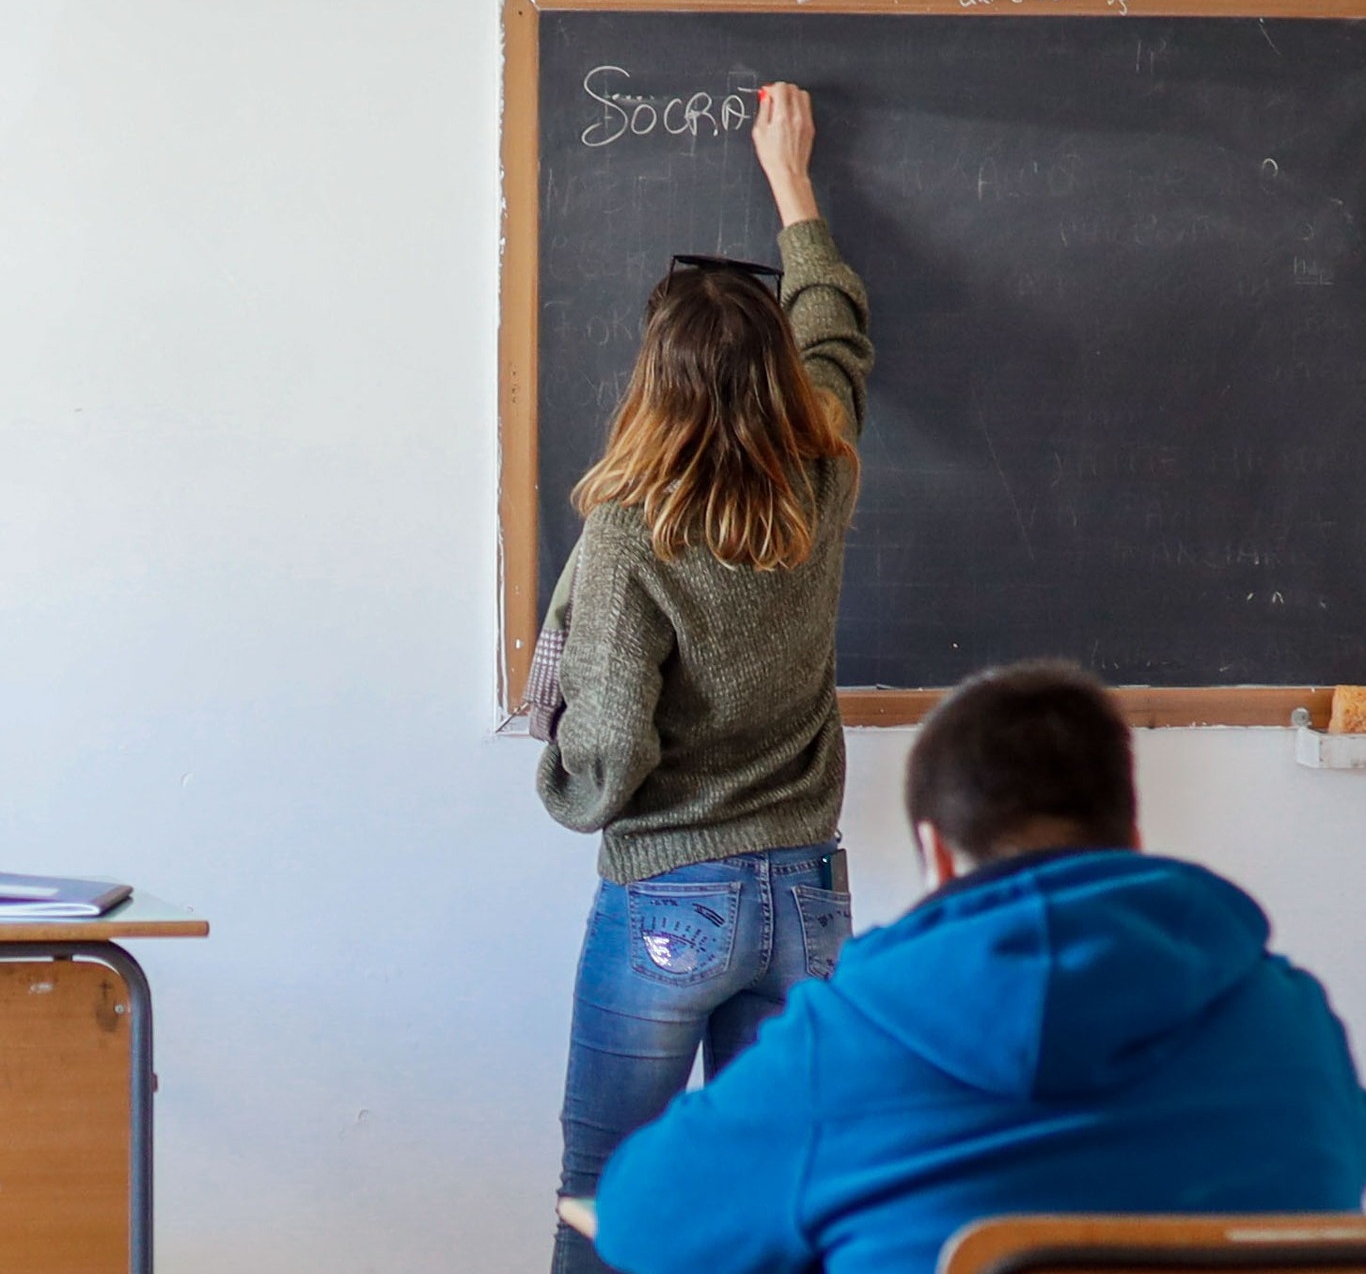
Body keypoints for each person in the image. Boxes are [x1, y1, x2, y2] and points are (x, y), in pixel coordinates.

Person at [587, 661, 1366, 1274]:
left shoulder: (843, 1048)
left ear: (937, 854)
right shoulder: (1296, 1030)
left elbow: (638, 1224)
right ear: (1130, 830)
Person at [536, 82, 875, 1274]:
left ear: (656, 381)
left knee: (609, 1200)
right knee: (775, 1205)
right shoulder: (821, 476)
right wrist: (791, 183)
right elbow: (834, 331)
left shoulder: (632, 531)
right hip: (807, 899)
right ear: (777, 372)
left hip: (668, 899)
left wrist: (568, 786)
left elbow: (613, 741)